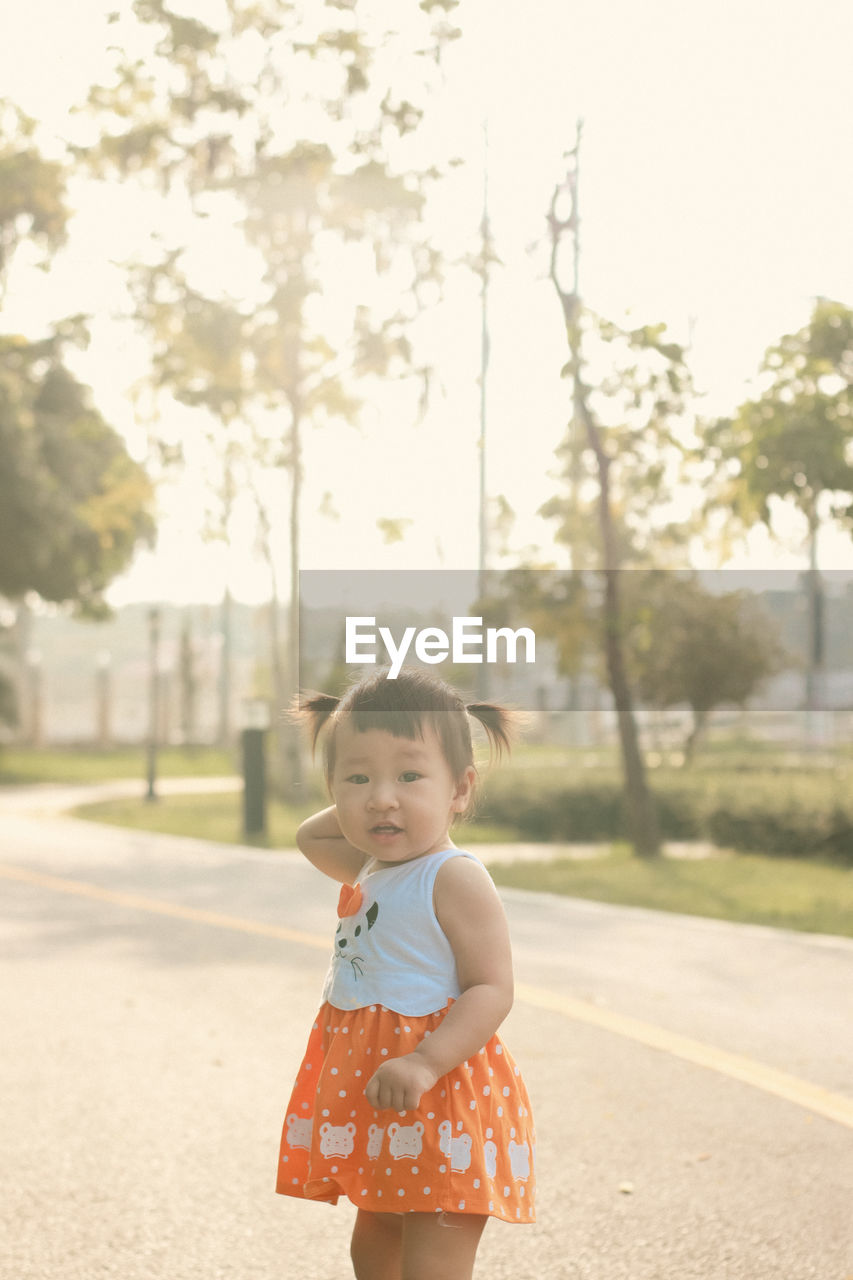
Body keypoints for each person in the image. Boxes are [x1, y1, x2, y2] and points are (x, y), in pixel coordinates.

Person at [275, 667, 536, 1280]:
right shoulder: (369, 863)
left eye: (410, 776)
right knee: (373, 1251)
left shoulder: (452, 876)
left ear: (461, 790)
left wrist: (425, 1062)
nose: (382, 798)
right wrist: (365, 792)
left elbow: (492, 988)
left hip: (438, 1094)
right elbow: (309, 833)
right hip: (383, 1102)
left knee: (432, 1262)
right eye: (358, 777)